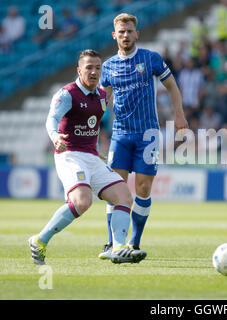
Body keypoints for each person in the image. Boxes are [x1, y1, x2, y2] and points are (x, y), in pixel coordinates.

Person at [28, 49, 146, 265]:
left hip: (91, 157)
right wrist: (55, 138)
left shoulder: (101, 95)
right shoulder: (67, 93)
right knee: (83, 201)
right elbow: (51, 119)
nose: (94, 72)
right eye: (89, 67)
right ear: (79, 70)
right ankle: (39, 240)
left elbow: (91, 125)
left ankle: (118, 247)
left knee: (124, 196)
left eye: (98, 68)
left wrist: (95, 148)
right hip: (70, 155)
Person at [98, 14, 188, 260]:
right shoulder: (107, 67)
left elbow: (172, 86)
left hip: (148, 134)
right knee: (115, 189)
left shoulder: (150, 59)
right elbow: (102, 101)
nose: (126, 35)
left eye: (130, 31)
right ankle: (113, 242)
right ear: (114, 35)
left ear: (137, 33)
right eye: (121, 31)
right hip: (120, 135)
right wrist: (92, 130)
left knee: (144, 188)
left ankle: (134, 243)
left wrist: (179, 116)